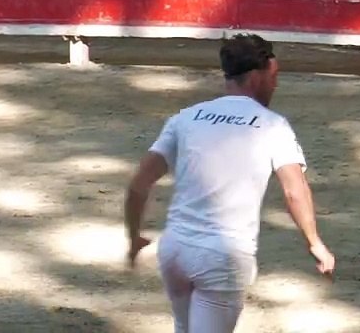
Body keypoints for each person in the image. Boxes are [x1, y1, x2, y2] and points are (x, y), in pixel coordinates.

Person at [124, 34, 336, 331]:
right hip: (222, 256)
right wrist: (315, 242)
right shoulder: (272, 125)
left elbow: (138, 185)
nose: (275, 84)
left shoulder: (186, 118)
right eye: (273, 77)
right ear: (255, 78)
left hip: (175, 251)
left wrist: (134, 238)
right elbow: (294, 190)